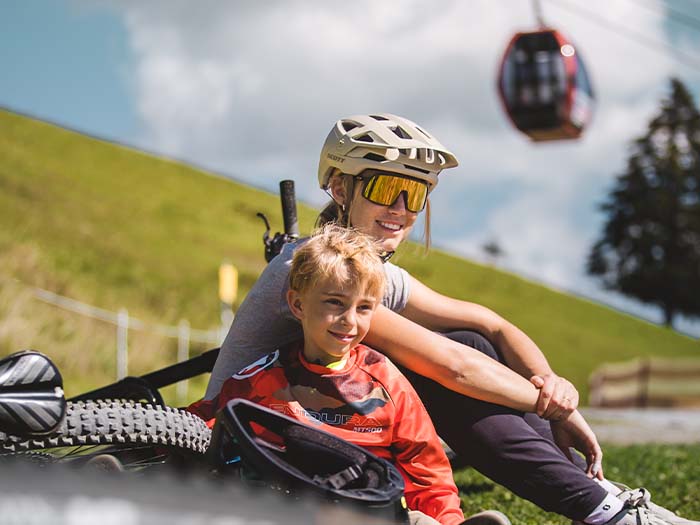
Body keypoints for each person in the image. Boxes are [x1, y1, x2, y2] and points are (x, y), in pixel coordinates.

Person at [206, 113, 698, 525]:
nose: (401, 209)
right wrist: (557, 408)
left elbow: (493, 324)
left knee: (470, 337)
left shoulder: (368, 269)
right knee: (431, 368)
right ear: (340, 186)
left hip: (322, 428)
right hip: (254, 444)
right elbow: (449, 367)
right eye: (388, 188)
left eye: (415, 195)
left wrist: (550, 382)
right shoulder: (319, 273)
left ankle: (595, 491)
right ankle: (603, 511)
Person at [190, 224, 506, 525]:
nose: (349, 322)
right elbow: (200, 427)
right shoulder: (261, 378)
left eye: (364, 308)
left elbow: (428, 473)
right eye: (334, 303)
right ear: (297, 304)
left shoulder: (388, 383)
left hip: (370, 513)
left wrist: (449, 520)